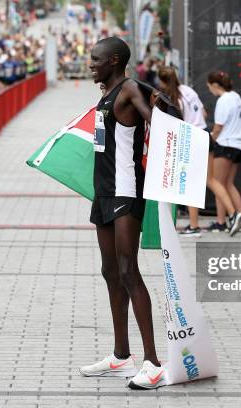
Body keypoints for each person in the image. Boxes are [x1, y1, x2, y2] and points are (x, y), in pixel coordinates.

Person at [79, 36, 164, 390]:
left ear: (114, 60)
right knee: (110, 271)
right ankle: (120, 356)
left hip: (126, 191)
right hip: (104, 192)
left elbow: (160, 123)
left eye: (96, 59)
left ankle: (154, 363)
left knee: (129, 271)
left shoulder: (130, 89)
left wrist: (160, 104)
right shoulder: (109, 92)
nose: (90, 64)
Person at [156, 66, 241, 237]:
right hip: (204, 134)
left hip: (191, 138)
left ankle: (195, 226)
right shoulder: (188, 90)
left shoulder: (173, 99)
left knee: (189, 183)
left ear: (162, 82)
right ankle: (235, 213)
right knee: (210, 180)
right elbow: (203, 113)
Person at [206, 70, 241, 232]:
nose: (209, 89)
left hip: (225, 145)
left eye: (209, 86)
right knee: (228, 184)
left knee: (217, 184)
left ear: (215, 85)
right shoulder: (236, 97)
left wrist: (209, 140)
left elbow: (218, 127)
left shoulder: (223, 100)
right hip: (237, 145)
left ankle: (222, 222)